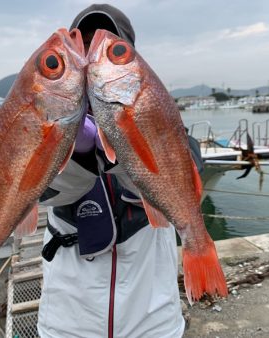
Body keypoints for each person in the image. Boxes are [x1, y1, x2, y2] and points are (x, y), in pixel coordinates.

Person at [37, 4, 202, 338]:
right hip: (68, 322)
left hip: (153, 319)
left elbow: (189, 171)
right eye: (82, 45)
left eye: (111, 48)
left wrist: (122, 148)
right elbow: (49, 192)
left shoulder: (155, 112)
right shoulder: (44, 122)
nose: (91, 56)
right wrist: (76, 150)